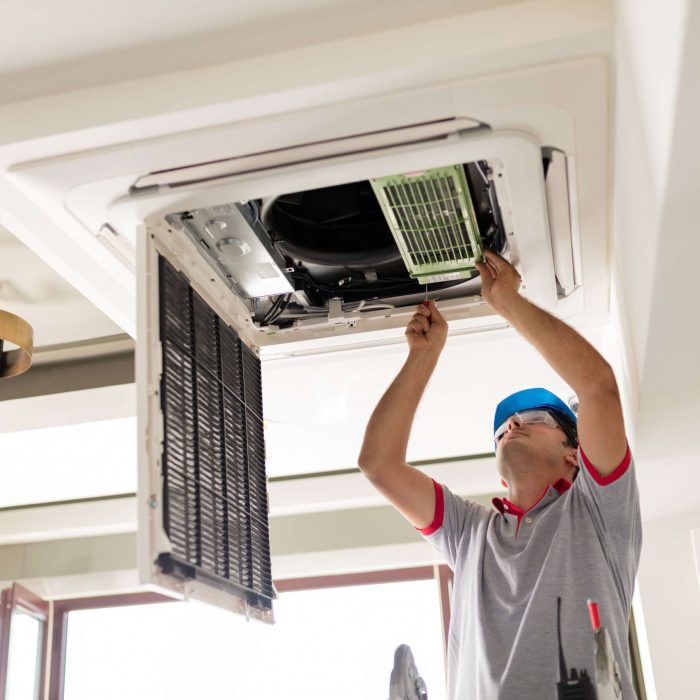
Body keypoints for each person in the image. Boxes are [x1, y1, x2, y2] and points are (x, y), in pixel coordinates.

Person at [358, 249, 642, 699]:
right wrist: (422, 356)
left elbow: (598, 387)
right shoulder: (469, 532)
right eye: (502, 430)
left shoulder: (598, 512)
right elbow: (379, 465)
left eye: (534, 417)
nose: (511, 425)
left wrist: (507, 300)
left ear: (575, 454)